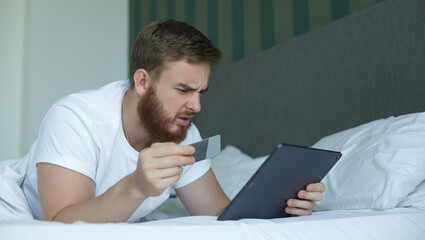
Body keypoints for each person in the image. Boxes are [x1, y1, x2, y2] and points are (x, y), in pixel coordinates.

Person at [22, 20, 325, 223]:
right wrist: (136, 187)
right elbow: (58, 226)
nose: (196, 105)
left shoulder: (184, 132)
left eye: (201, 92)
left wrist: (283, 208)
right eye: (183, 90)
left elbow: (217, 215)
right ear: (143, 82)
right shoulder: (76, 119)